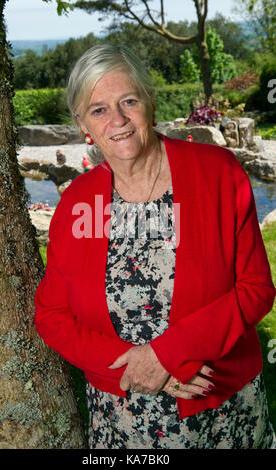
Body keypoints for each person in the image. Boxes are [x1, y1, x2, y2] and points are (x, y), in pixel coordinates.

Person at [34, 44, 276, 449]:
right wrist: (138, 370)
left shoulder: (218, 173)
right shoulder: (78, 202)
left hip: (223, 415)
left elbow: (255, 291)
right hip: (123, 422)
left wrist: (167, 355)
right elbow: (52, 316)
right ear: (83, 126)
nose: (118, 120)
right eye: (99, 110)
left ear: (149, 102)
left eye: (128, 101)